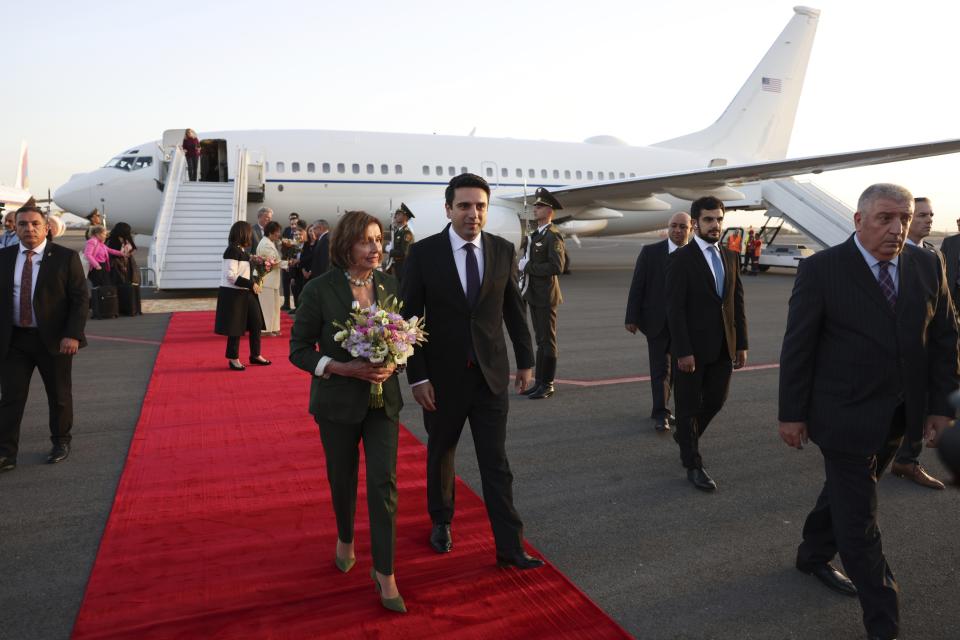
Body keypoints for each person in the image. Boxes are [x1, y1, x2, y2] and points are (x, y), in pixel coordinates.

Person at [778, 183, 959, 640]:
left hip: (899, 415)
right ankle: (884, 621)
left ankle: (812, 553)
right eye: (885, 218)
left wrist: (940, 406)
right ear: (858, 221)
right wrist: (791, 414)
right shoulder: (822, 270)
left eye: (904, 218)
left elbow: (943, 338)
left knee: (846, 490)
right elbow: (798, 348)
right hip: (842, 415)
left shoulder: (926, 262)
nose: (897, 228)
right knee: (859, 519)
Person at [400, 173, 542, 569]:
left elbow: (514, 308)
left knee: (496, 462)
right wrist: (418, 376)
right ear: (448, 209)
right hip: (441, 381)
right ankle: (441, 521)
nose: (473, 213)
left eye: (480, 206)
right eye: (464, 206)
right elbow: (409, 319)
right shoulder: (424, 254)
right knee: (441, 453)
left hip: (490, 377)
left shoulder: (501, 249)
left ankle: (510, 547)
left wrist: (526, 360)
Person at [289, 210, 406, 613]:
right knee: (342, 478)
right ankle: (345, 537)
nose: (376, 247)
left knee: (384, 485)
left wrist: (398, 361)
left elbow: (403, 338)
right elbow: (299, 349)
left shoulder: (390, 285)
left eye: (378, 239)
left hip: (383, 403)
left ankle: (385, 572)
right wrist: (340, 367)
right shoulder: (320, 290)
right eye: (366, 241)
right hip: (337, 402)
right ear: (346, 246)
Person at [665, 196, 747, 492]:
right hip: (692, 351)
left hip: (724, 346)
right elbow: (674, 309)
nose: (715, 225)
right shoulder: (681, 259)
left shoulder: (730, 256)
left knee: (716, 400)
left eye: (719, 219)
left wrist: (741, 343)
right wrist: (683, 351)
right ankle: (693, 464)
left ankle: (686, 436)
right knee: (686, 408)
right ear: (696, 222)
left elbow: (736, 303)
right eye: (709, 219)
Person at [0, 204, 89, 473]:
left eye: (35, 224)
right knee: (11, 397)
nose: (29, 229)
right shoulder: (3, 257)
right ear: (14, 228)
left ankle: (61, 441)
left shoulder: (64, 257)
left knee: (59, 395)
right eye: (23, 224)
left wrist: (72, 334)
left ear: (46, 228)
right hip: (14, 340)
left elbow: (79, 299)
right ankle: (6, 453)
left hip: (54, 340)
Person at [892, 196, 946, 489]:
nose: (928, 220)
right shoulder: (889, 256)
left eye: (931, 215)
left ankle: (907, 459)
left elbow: (940, 309)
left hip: (924, 352)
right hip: (893, 355)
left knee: (920, 404)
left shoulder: (933, 256)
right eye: (922, 215)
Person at [625, 212, 692, 431]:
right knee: (660, 369)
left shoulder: (696, 256)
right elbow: (637, 286)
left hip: (686, 325)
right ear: (668, 227)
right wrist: (631, 317)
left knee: (680, 370)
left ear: (691, 229)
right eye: (674, 226)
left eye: (683, 227)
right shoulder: (650, 252)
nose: (677, 230)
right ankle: (660, 412)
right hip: (657, 322)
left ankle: (672, 410)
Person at [518, 187, 566, 400]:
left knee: (548, 340)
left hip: (546, 295)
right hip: (535, 294)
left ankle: (547, 384)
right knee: (540, 340)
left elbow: (557, 267)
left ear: (549, 210)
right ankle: (539, 382)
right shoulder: (537, 234)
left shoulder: (553, 236)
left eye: (539, 206)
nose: (535, 208)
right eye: (535, 205)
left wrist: (527, 267)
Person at [213, 221, 270, 371]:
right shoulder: (232, 251)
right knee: (235, 327)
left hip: (245, 292)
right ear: (243, 233)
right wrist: (251, 284)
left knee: (256, 322)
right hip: (234, 293)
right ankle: (233, 358)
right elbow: (230, 276)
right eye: (249, 232)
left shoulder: (242, 251)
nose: (251, 235)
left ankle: (255, 354)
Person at [256, 221, 283, 336]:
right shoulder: (266, 244)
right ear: (271, 233)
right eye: (277, 232)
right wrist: (288, 263)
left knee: (275, 306)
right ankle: (265, 330)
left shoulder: (269, 242)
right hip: (266, 280)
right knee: (267, 307)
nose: (279, 234)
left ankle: (274, 328)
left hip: (271, 280)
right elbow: (272, 262)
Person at [386, 203, 415, 282]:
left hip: (402, 268)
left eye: (398, 214)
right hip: (395, 266)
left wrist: (390, 251)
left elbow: (404, 253)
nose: (396, 216)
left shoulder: (406, 233)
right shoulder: (398, 232)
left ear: (405, 217)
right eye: (396, 214)